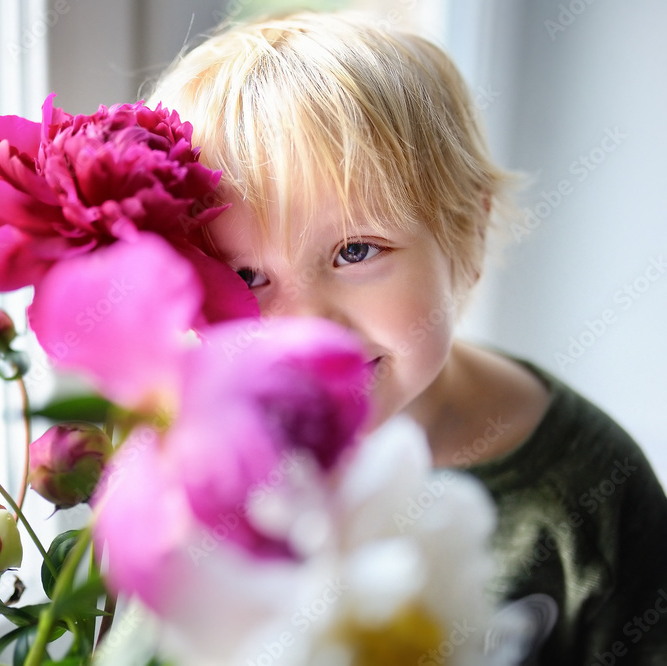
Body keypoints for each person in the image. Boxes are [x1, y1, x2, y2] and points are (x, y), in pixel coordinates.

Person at [150, 11, 667, 665]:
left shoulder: (593, 488)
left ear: (468, 236)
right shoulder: (205, 475)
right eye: (247, 275)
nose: (307, 331)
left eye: (355, 250)